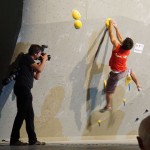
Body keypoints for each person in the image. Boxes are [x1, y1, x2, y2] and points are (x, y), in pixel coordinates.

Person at [100, 19, 141, 113]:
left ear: (123, 43)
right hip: (124, 71)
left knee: (108, 92)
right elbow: (121, 39)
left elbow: (111, 34)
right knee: (130, 71)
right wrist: (116, 27)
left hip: (116, 75)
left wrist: (111, 24)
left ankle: (108, 106)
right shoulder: (128, 50)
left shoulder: (116, 46)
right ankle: (138, 84)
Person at [10, 44, 48, 145]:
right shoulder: (27, 58)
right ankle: (14, 140)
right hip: (23, 89)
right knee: (21, 114)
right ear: (35, 53)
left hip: (25, 90)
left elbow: (37, 76)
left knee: (29, 115)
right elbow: (39, 69)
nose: (41, 56)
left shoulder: (31, 64)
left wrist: (41, 62)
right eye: (40, 54)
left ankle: (33, 139)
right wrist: (44, 60)